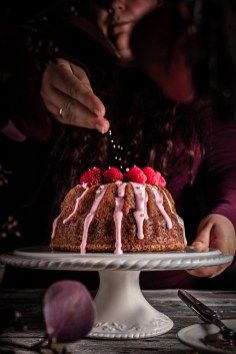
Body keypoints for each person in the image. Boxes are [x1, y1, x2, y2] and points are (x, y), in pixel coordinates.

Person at [1, 0, 236, 289]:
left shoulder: (199, 68)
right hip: (46, 297)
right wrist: (29, 79)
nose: (115, 3)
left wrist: (225, 216)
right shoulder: (51, 55)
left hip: (168, 300)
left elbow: (230, 169)